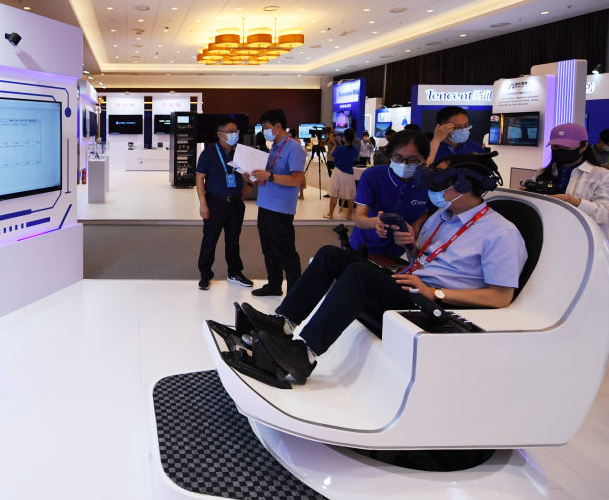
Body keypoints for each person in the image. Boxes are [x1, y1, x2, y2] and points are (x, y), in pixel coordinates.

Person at [243, 153, 527, 384]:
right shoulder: (442, 217)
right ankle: (283, 324)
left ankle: (303, 356)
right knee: (330, 255)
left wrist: (435, 294)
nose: (433, 188)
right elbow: (424, 258)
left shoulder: (500, 233)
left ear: (464, 186)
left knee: (360, 275)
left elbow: (500, 297)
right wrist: (410, 247)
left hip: (431, 301)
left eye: (441, 181)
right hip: (412, 283)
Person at [248, 109, 306, 297]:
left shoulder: (294, 148)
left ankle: (295, 294)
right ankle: (274, 285)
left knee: (285, 252)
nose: (264, 131)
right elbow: (269, 173)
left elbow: (297, 180)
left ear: (278, 126)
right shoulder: (274, 146)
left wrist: (269, 176)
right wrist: (254, 175)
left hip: (280, 209)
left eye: (266, 127)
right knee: (269, 250)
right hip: (265, 205)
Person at [350, 130, 431, 261]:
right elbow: (359, 218)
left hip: (399, 254)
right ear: (390, 156)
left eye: (412, 160)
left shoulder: (427, 183)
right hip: (364, 248)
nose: (404, 164)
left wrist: (413, 232)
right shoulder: (373, 176)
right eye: (398, 158)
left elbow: (424, 215)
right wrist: (374, 222)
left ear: (424, 161)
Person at [195, 117, 253, 290]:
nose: (234, 134)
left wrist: (248, 187)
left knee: (233, 241)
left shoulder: (241, 153)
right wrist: (203, 204)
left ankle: (235, 273)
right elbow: (200, 178)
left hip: (235, 204)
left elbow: (251, 173)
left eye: (236, 131)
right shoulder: (209, 153)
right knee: (210, 240)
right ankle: (205, 275)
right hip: (215, 203)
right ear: (220, 134)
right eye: (230, 132)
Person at [534, 123, 609, 237]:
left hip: (583, 238)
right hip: (547, 234)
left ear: (584, 146)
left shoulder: (602, 175)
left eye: (566, 147)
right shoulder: (541, 173)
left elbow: (605, 216)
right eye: (556, 147)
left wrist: (572, 201)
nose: (561, 151)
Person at [326, 128, 359, 220]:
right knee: (351, 196)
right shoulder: (355, 149)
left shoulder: (339, 148)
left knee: (334, 194)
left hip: (338, 173)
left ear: (344, 138)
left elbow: (331, 154)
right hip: (349, 173)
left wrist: (335, 145)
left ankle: (330, 214)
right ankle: (349, 215)